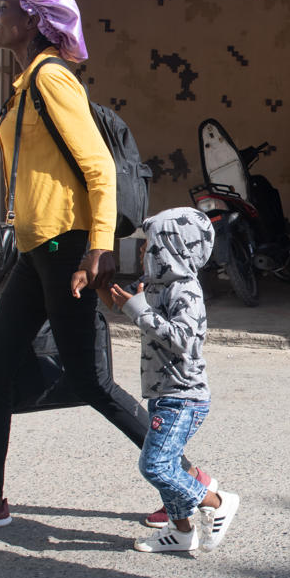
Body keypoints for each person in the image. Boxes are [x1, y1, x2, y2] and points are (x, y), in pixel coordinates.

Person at [0, 0, 143, 532]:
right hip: (36, 249)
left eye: (4, 9)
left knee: (90, 381)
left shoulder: (51, 79)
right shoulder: (27, 83)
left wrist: (99, 248)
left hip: (67, 248)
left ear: (33, 21)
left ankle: (193, 481)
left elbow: (97, 168)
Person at [102, 207, 239, 554]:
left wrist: (137, 309)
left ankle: (216, 502)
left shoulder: (185, 290)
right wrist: (98, 283)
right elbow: (122, 302)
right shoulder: (157, 285)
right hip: (163, 393)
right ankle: (180, 532)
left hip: (184, 397)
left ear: (175, 247)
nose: (148, 250)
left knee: (156, 465)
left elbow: (184, 340)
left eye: (155, 244)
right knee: (169, 462)